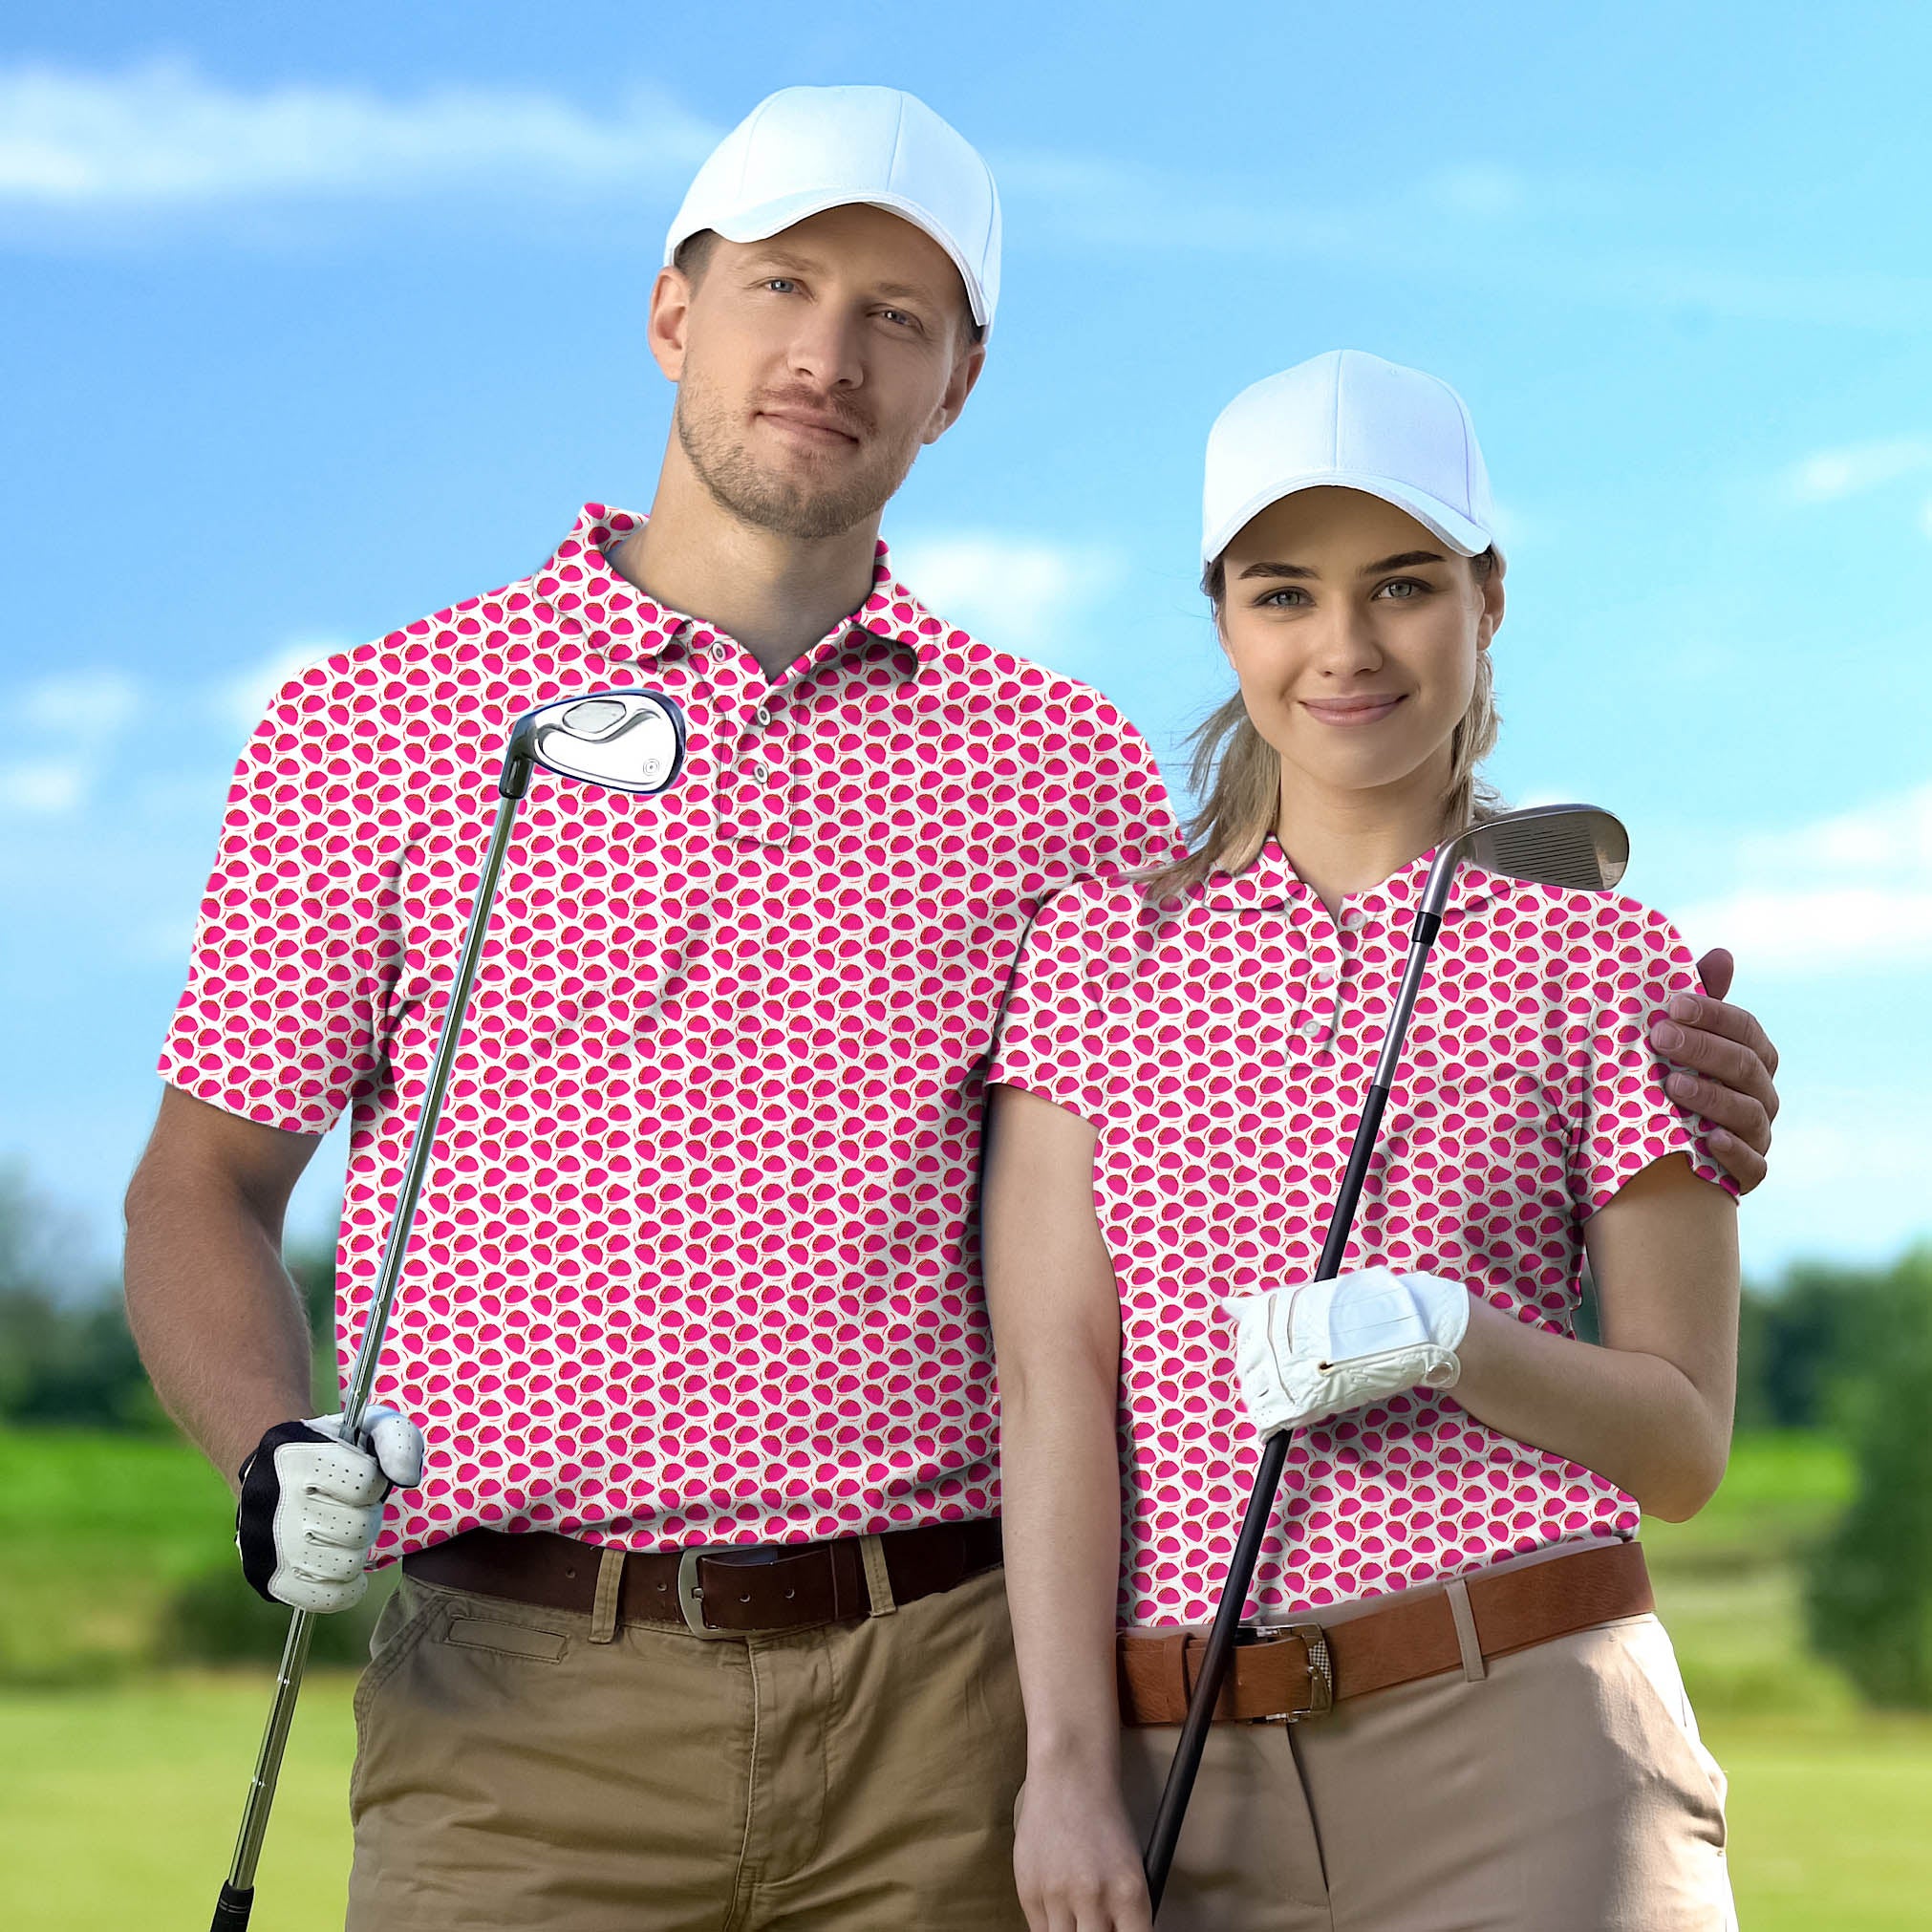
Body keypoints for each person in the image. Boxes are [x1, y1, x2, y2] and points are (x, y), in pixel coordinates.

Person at [119, 81, 1776, 1928]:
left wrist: (1635, 1040)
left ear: (959, 380)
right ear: (674, 310)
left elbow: (1256, 1057)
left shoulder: (1061, 768)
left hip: (946, 1703)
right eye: (782, 286)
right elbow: (200, 1189)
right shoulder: (378, 724)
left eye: (894, 316)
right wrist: (271, 1452)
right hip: (514, 1707)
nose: (827, 353)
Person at [985, 351, 1748, 1931]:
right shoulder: (1093, 959)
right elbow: (1057, 1383)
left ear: (1485, 600)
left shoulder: (1606, 957)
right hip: (1188, 1773)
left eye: (1400, 585)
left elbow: (1678, 1448)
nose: (1343, 647)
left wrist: (1451, 1339)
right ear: (1221, 619)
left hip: (1530, 1733)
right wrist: (1063, 1761)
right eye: (1283, 594)